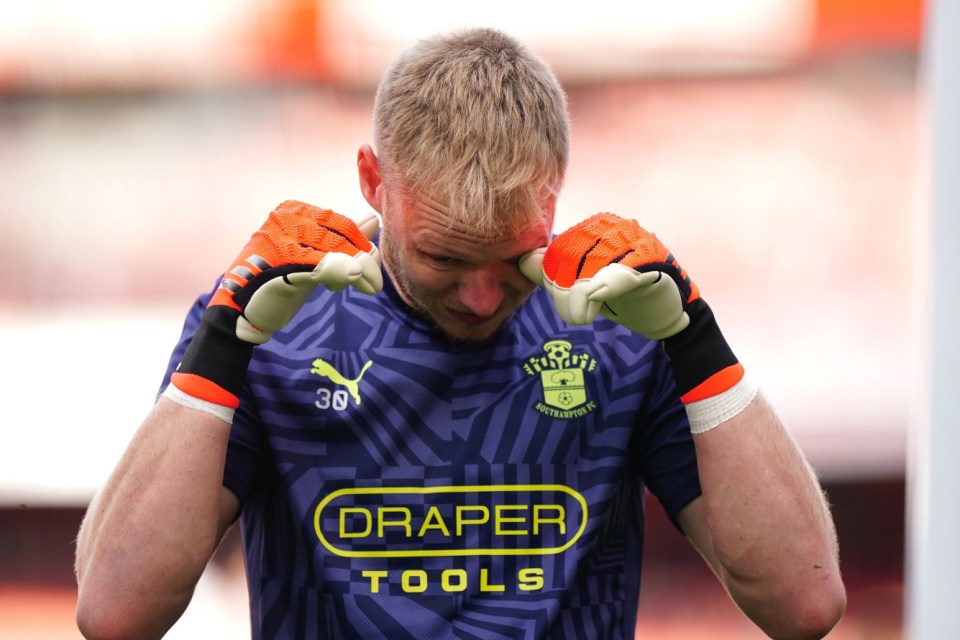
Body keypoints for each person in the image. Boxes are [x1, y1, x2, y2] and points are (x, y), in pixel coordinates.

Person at [74, 27, 846, 639]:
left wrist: (697, 341)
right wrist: (220, 347)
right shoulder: (273, 321)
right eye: (445, 256)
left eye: (513, 259)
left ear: (556, 191)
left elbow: (804, 603)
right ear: (375, 181)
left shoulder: (625, 321)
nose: (480, 297)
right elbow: (115, 613)